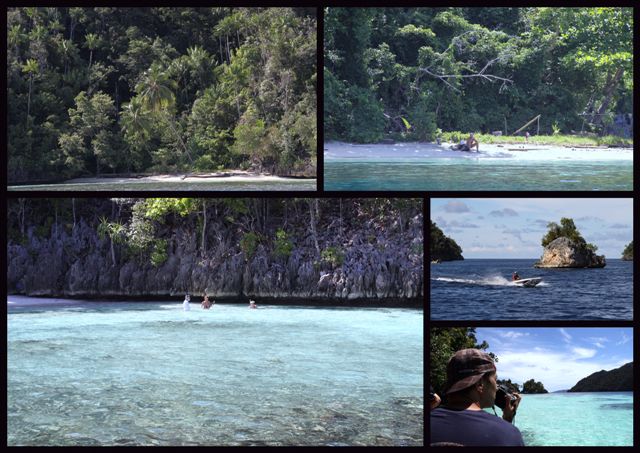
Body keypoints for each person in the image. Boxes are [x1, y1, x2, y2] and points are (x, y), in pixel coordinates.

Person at [430, 349, 523, 446]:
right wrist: (507, 424)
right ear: (480, 384)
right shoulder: (509, 434)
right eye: (495, 380)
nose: (496, 387)